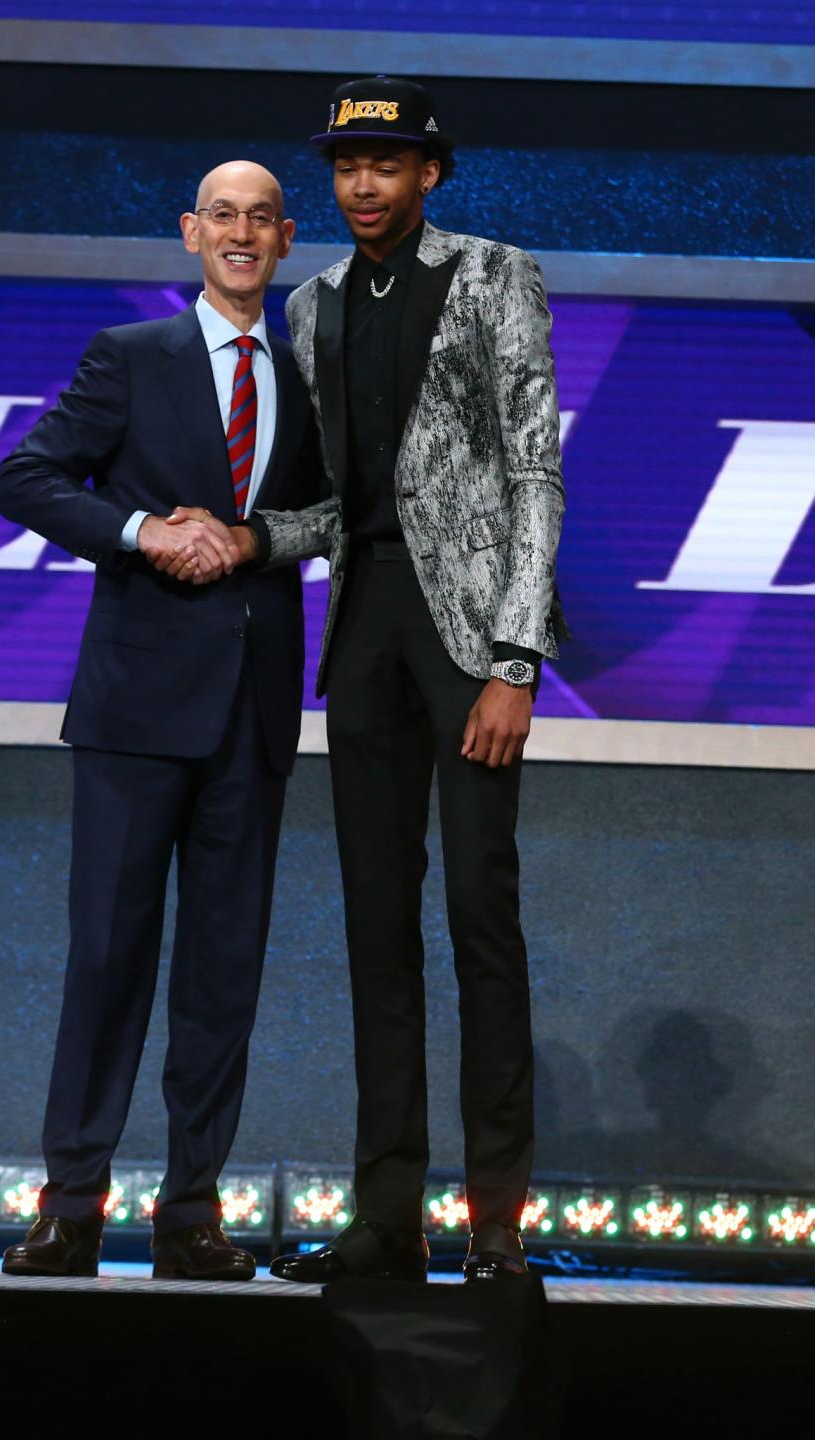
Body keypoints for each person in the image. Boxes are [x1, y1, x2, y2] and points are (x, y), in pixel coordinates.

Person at [170, 78, 567, 1283]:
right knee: (375, 934)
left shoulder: (495, 274)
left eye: (386, 164)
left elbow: (533, 469)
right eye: (346, 167)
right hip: (364, 636)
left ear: (429, 173)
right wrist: (251, 538)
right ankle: (387, 1219)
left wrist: (514, 658)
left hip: (466, 646)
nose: (363, 185)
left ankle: (494, 1224)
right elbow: (341, 503)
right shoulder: (312, 303)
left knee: (481, 927)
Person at [0, 161, 322, 1281]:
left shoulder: (311, 374)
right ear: (192, 234)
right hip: (135, 714)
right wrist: (142, 531)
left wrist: (258, 539)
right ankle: (71, 1205)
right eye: (221, 216)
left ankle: (192, 1214)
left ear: (286, 240)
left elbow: (338, 515)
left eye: (261, 218)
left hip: (255, 714)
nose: (240, 234)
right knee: (109, 961)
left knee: (223, 975)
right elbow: (28, 479)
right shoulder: (131, 357)